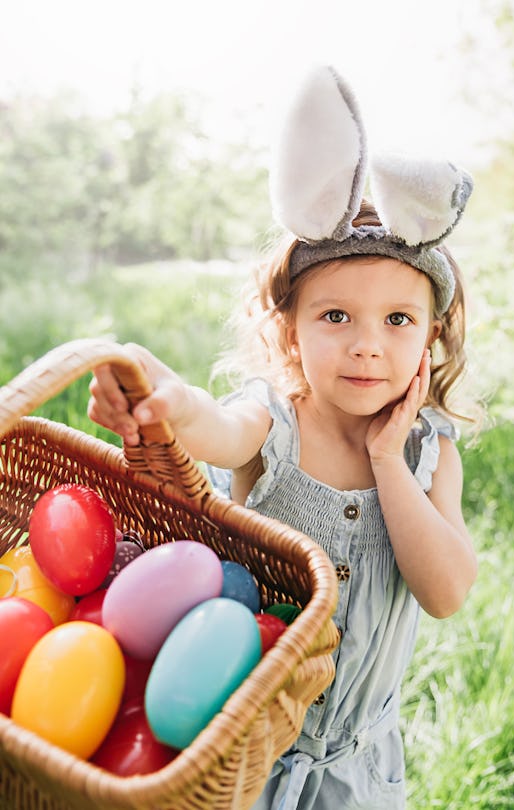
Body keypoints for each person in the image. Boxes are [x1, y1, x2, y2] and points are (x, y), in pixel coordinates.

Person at [88, 65, 478, 810]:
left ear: (432, 337)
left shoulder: (431, 454)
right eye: (336, 317)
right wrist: (173, 402)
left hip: (359, 770)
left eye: (397, 320)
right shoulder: (276, 419)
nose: (368, 345)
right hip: (243, 756)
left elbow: (447, 590)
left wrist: (388, 461)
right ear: (291, 334)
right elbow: (217, 427)